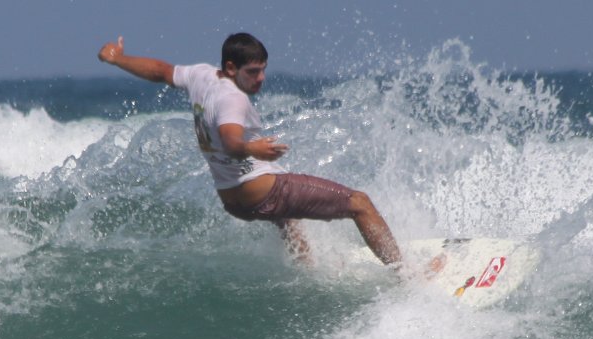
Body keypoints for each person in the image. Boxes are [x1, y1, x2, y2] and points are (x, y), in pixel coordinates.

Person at [97, 33, 405, 267]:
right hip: (262, 192)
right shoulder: (233, 99)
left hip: (235, 200)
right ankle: (407, 274)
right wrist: (252, 148)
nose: (261, 79)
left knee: (286, 217)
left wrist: (116, 59)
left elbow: (161, 71)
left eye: (263, 70)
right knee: (359, 202)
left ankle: (304, 267)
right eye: (253, 71)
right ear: (231, 68)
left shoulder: (201, 76)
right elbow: (230, 140)